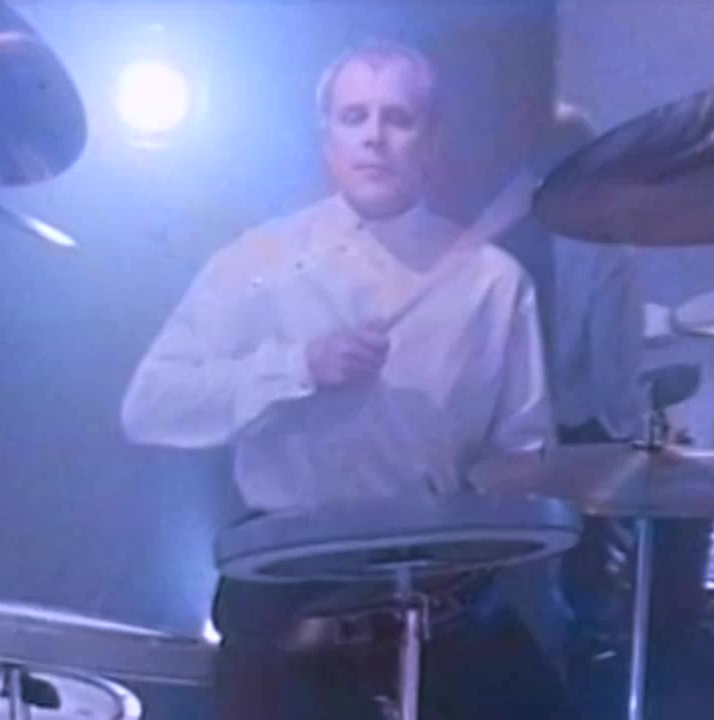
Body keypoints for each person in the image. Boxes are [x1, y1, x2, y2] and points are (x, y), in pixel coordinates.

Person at [122, 39, 573, 720]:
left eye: (399, 118)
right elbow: (151, 407)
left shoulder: (494, 284)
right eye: (354, 116)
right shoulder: (255, 263)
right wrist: (296, 366)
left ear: (431, 141)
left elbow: (525, 458)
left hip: (441, 594)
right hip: (287, 590)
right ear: (327, 139)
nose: (375, 137)